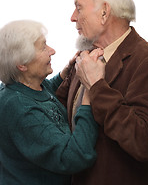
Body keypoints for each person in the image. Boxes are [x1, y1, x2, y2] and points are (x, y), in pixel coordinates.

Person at [56, 0, 148, 185]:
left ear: (104, 12)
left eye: (79, 8)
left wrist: (97, 86)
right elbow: (59, 111)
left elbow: (144, 142)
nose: (72, 17)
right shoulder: (86, 56)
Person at [0, 20, 101, 185]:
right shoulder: (19, 108)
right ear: (21, 64)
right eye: (43, 47)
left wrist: (66, 72)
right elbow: (74, 158)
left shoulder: (27, 85)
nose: (52, 51)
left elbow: (45, 91)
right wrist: (90, 93)